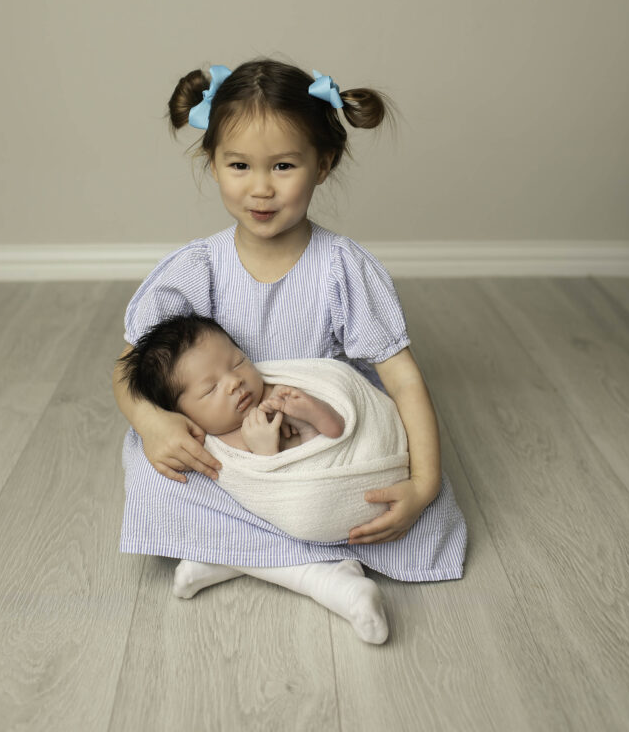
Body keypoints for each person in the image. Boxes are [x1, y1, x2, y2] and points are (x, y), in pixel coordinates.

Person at [113, 58, 467, 644]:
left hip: (320, 444)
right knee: (150, 462)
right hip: (232, 450)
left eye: (283, 165)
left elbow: (403, 382)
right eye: (239, 165)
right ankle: (321, 573)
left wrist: (423, 485)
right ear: (212, 164)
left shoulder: (342, 268)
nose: (260, 187)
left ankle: (240, 551)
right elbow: (128, 369)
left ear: (322, 165)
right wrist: (152, 423)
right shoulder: (195, 269)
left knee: (396, 493)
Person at [119, 312, 345, 453]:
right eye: (211, 388)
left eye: (237, 363)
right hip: (303, 485)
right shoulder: (219, 446)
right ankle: (311, 430)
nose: (234, 382)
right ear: (181, 414)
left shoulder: (273, 392)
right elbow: (261, 492)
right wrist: (266, 451)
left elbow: (326, 385)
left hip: (333, 447)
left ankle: (316, 420)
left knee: (326, 423)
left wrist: (299, 406)